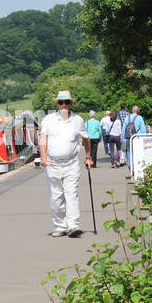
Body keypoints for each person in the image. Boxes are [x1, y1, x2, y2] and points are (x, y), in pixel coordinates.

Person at [39, 89, 92, 237]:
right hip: (52, 163)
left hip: (71, 163)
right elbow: (43, 139)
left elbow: (85, 139)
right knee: (56, 196)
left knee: (71, 194)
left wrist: (88, 156)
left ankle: (73, 226)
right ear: (57, 104)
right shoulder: (48, 120)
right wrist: (43, 157)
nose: (64, 105)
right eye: (61, 102)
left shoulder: (78, 120)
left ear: (70, 104)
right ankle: (60, 226)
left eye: (66, 102)